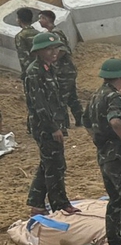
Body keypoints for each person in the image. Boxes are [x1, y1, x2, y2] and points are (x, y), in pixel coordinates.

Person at [87, 57, 121, 245]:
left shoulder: (95, 96)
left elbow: (87, 123)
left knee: (115, 199)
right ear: (120, 77)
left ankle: (115, 241)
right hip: (119, 155)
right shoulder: (113, 97)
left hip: (104, 155)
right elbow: (116, 121)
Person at [24, 34, 74, 215]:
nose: (54, 52)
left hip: (55, 123)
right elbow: (39, 104)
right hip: (45, 127)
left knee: (48, 163)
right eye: (49, 49)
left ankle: (36, 202)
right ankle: (59, 204)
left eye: (56, 48)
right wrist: (53, 128)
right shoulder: (35, 72)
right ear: (38, 51)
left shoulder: (48, 68)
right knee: (56, 165)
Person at [37, 12, 83, 125]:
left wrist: (52, 60)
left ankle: (64, 124)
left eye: (41, 18)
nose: (39, 21)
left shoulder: (55, 34)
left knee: (60, 98)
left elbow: (63, 50)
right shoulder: (52, 33)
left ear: (47, 19)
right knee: (72, 98)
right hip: (65, 71)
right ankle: (81, 120)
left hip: (64, 71)